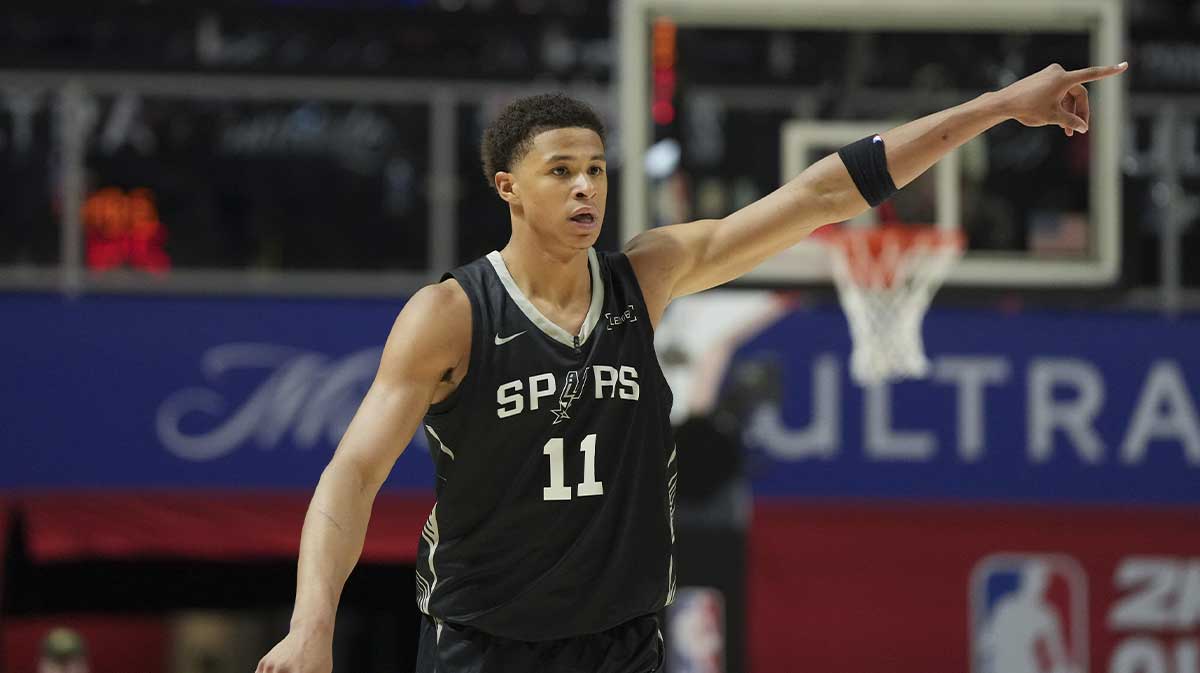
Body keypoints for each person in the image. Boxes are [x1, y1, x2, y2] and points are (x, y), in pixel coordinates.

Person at [256, 60, 1127, 673]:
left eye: (595, 169)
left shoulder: (648, 274)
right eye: (559, 171)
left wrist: (997, 105)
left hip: (623, 640)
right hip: (482, 643)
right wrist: (310, 624)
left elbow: (822, 195)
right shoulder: (450, 315)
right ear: (506, 186)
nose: (585, 188)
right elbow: (351, 476)